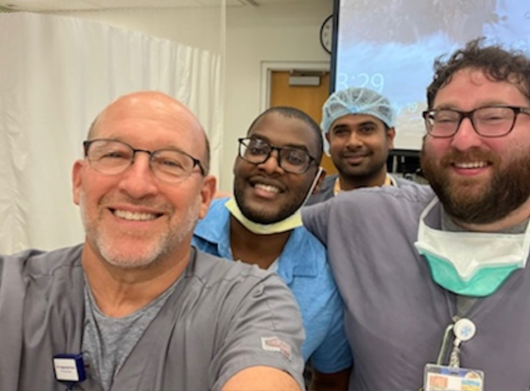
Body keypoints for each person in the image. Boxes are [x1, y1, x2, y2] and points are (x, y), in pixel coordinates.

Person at [301, 39, 530, 390]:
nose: (463, 140)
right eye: (445, 119)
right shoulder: (361, 219)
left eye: (494, 118)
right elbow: (249, 224)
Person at [0, 91, 306, 391]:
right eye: (114, 155)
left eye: (171, 163)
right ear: (79, 181)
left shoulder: (251, 303)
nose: (137, 185)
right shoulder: (11, 290)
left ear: (203, 197)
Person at [192, 107, 352, 391]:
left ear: (317, 181)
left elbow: (331, 380)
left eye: (294, 158)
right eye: (258, 148)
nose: (269, 165)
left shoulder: (325, 282)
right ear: (237, 160)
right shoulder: (184, 232)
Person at [306, 87, 412, 205]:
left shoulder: (419, 204)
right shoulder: (305, 202)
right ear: (328, 140)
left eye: (366, 130)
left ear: (389, 137)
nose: (353, 143)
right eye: (341, 132)